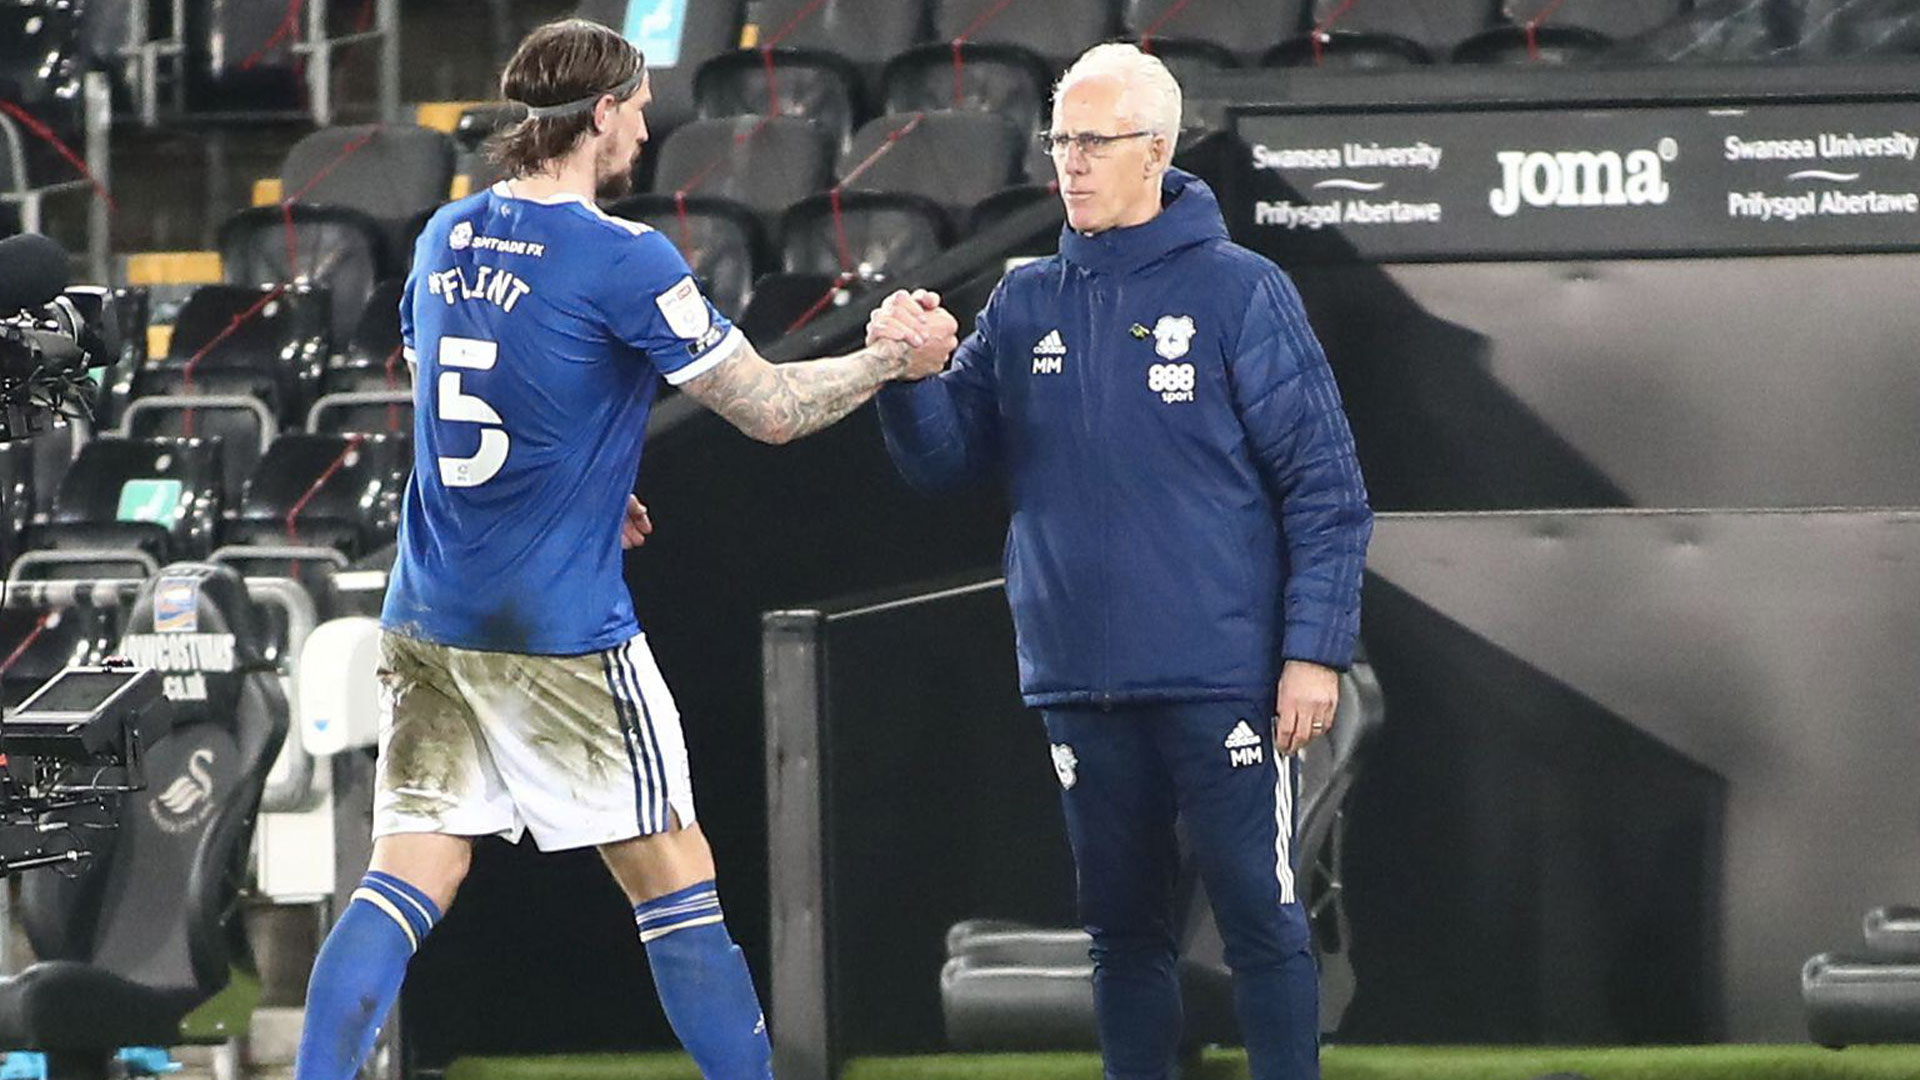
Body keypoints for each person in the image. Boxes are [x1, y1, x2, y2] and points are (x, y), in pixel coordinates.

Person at [293, 18, 955, 1080]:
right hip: (558, 633)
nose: (649, 125)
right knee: (674, 879)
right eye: (639, 106)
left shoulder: (444, 234)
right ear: (599, 113)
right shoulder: (624, 257)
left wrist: (592, 483)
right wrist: (885, 359)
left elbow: (444, 382)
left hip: (428, 618)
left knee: (406, 877)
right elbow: (774, 411)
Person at [865, 42, 1372, 1080]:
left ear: (1158, 150)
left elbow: (1326, 489)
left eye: (1094, 142)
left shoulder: (1242, 291)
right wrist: (912, 378)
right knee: (1121, 933)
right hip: (1080, 678)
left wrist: (1313, 653)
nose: (1071, 163)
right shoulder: (1022, 302)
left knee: (1260, 920)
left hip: (1221, 674)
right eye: (1060, 141)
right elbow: (944, 461)